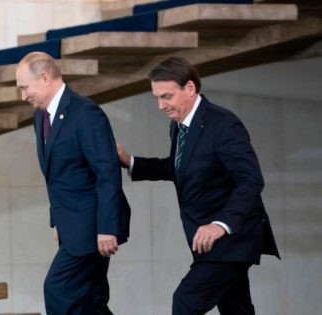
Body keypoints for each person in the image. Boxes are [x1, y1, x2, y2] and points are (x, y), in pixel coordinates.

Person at [117, 56, 280, 314]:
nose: (160, 105)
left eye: (167, 96)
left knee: (185, 302)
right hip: (209, 244)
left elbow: (251, 179)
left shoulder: (223, 124)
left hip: (230, 240)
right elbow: (181, 167)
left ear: (190, 88)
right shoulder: (179, 126)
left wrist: (220, 225)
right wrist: (131, 162)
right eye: (157, 97)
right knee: (236, 309)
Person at [16, 51, 130, 315]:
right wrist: (56, 220)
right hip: (71, 226)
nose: (23, 96)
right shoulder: (40, 117)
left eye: (24, 87)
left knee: (57, 290)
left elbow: (107, 172)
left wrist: (107, 228)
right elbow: (57, 177)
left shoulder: (86, 113)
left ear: (44, 78)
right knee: (91, 300)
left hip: (93, 227)